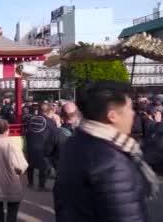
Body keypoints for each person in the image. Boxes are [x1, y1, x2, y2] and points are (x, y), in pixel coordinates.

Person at [54, 81, 159, 222]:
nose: (133, 114)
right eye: (130, 108)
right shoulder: (112, 161)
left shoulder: (76, 141)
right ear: (112, 116)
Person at [0, 119, 28, 222]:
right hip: (10, 181)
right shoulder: (11, 143)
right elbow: (20, 165)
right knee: (12, 211)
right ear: (6, 129)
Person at [25, 103, 56, 191]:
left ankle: (30, 183)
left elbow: (26, 130)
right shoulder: (50, 122)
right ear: (48, 110)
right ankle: (41, 186)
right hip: (43, 146)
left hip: (31, 145)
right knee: (43, 166)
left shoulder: (31, 119)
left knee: (30, 164)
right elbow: (54, 135)